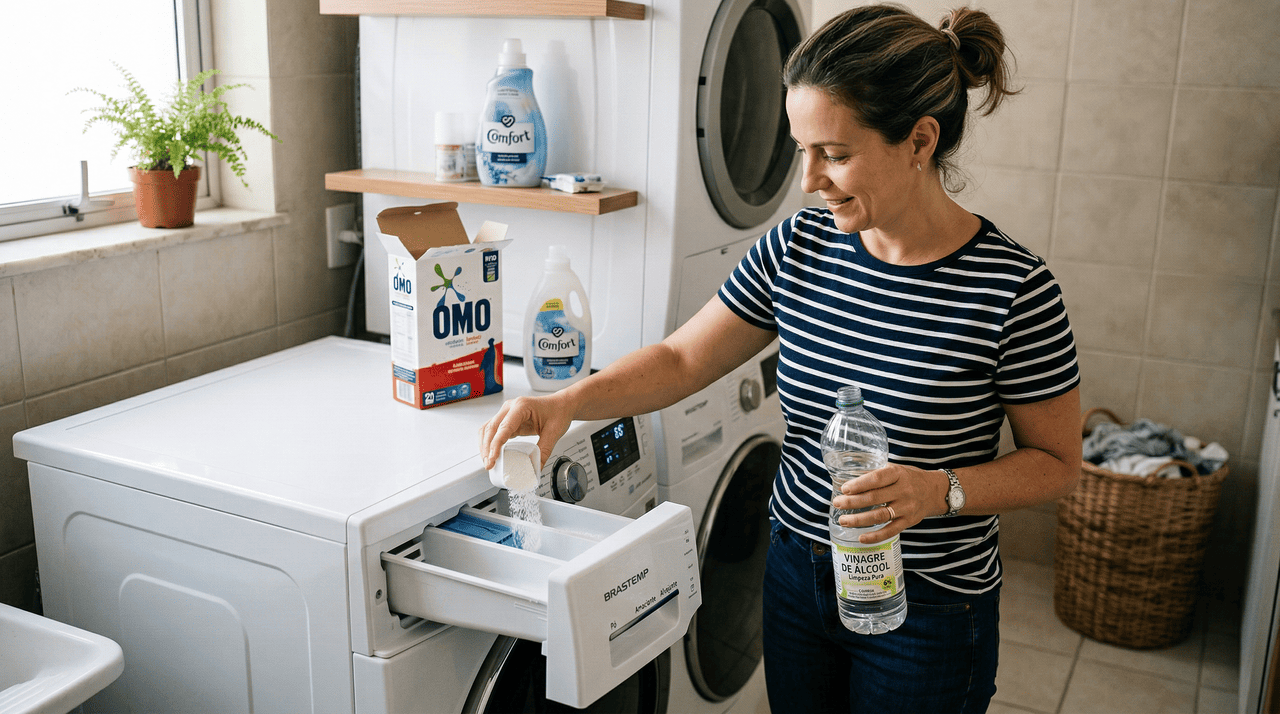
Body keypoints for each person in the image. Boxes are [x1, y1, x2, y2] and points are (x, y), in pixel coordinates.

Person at [479, 5, 1082, 712]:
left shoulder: (1013, 289)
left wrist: (937, 491)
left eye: (835, 153)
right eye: (801, 150)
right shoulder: (799, 246)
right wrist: (566, 402)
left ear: (920, 140)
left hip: (928, 606)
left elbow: (1057, 463)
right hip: (798, 573)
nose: (808, 180)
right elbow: (681, 359)